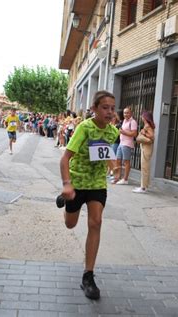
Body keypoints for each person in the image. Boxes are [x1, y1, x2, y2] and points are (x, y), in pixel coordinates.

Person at [58, 90, 119, 300]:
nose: (110, 112)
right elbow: (65, 158)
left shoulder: (113, 132)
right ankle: (64, 197)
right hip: (76, 182)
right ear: (94, 109)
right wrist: (67, 184)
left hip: (97, 184)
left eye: (112, 108)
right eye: (105, 107)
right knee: (70, 224)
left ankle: (88, 275)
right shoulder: (84, 127)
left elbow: (104, 151)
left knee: (96, 222)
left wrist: (114, 165)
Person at [112, 107, 137, 185]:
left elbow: (134, 134)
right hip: (121, 143)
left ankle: (125, 179)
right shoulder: (124, 121)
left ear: (131, 113)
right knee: (117, 160)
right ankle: (117, 177)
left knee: (126, 161)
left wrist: (123, 132)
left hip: (127, 144)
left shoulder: (133, 122)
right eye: (124, 113)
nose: (125, 114)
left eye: (127, 113)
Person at [132, 111, 155, 194]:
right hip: (146, 148)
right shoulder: (147, 126)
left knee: (144, 168)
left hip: (147, 148)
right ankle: (144, 186)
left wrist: (143, 133)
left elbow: (152, 137)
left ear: (145, 117)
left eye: (142, 116)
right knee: (145, 167)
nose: (141, 117)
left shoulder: (148, 126)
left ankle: (143, 187)